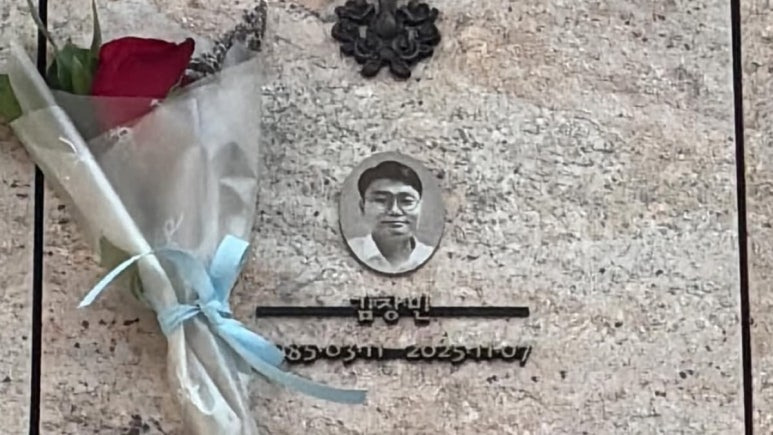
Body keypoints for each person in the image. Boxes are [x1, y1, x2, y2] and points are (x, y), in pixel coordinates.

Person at [348, 160, 434, 274]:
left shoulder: (432, 257)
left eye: (406, 201)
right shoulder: (347, 253)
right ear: (362, 207)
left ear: (420, 207)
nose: (395, 211)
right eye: (381, 200)